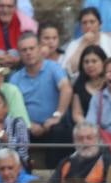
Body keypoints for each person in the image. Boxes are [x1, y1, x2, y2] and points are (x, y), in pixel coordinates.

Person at [10, 31, 71, 166]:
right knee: (14, 130)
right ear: (19, 54)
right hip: (28, 127)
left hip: (53, 124)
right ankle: (23, 175)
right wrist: (29, 124)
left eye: (32, 48)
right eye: (24, 50)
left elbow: (66, 88)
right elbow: (12, 108)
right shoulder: (15, 78)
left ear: (39, 49)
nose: (28, 53)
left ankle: (53, 176)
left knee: (60, 130)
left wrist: (57, 116)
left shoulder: (54, 68)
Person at [63, 6, 111, 79]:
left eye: (92, 22)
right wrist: (83, 44)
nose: (88, 26)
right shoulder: (74, 44)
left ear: (100, 24)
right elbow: (69, 70)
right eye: (84, 23)